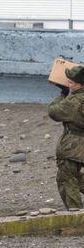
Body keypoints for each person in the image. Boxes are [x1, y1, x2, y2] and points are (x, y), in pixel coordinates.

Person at [49, 66, 84, 209]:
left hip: (73, 147)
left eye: (71, 82)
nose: (68, 84)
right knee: (73, 177)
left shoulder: (74, 101)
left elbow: (54, 112)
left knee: (66, 179)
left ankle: (76, 216)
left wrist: (63, 93)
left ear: (80, 85)